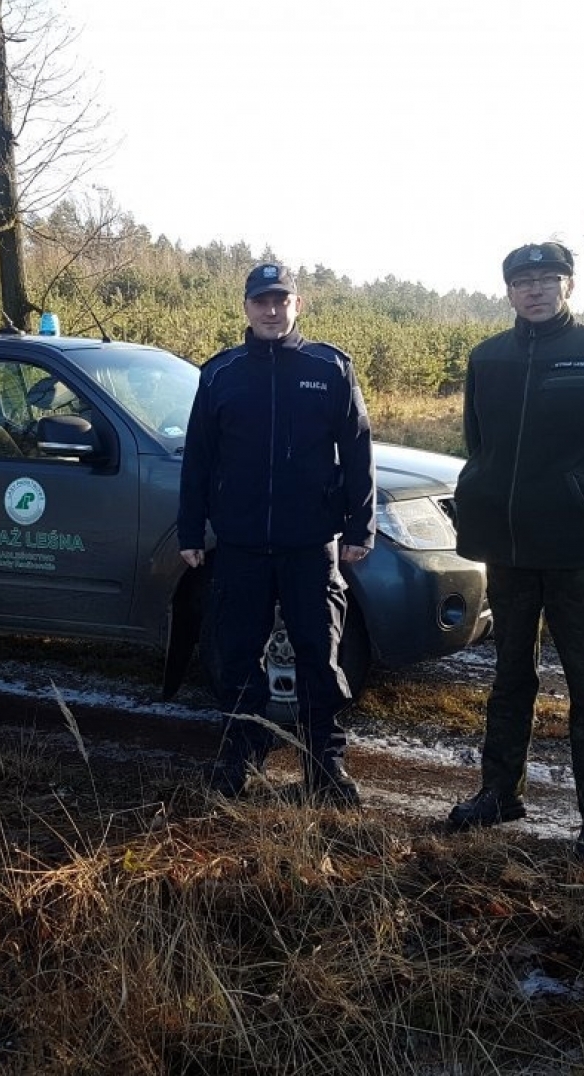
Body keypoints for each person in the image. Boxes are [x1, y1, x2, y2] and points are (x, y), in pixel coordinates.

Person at [448, 241, 584, 862]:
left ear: (568, 286)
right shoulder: (488, 359)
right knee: (510, 676)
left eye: (547, 280)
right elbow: (479, 443)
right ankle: (499, 793)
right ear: (508, 291)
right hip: (508, 552)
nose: (535, 290)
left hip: (575, 553)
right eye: (523, 282)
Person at [178, 262, 376, 806]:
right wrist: (191, 530)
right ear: (245, 307)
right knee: (237, 655)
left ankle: (325, 766)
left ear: (298, 305)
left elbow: (358, 451)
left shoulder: (329, 367)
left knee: (319, 656)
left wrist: (361, 526)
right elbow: (198, 457)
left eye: (281, 301)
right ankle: (240, 755)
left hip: (310, 545)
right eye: (261, 301)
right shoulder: (221, 372)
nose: (271, 310)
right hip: (240, 546)